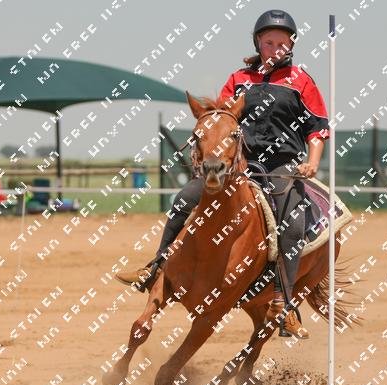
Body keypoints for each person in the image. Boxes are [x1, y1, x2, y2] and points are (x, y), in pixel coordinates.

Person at [116, 9, 329, 338]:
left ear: (291, 46)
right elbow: (221, 118)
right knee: (185, 198)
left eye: (282, 43)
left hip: (281, 165)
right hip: (239, 163)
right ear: (258, 43)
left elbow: (318, 128)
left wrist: (312, 162)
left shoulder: (301, 81)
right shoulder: (239, 79)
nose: (275, 49)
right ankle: (154, 268)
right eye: (269, 42)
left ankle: (284, 303)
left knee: (293, 221)